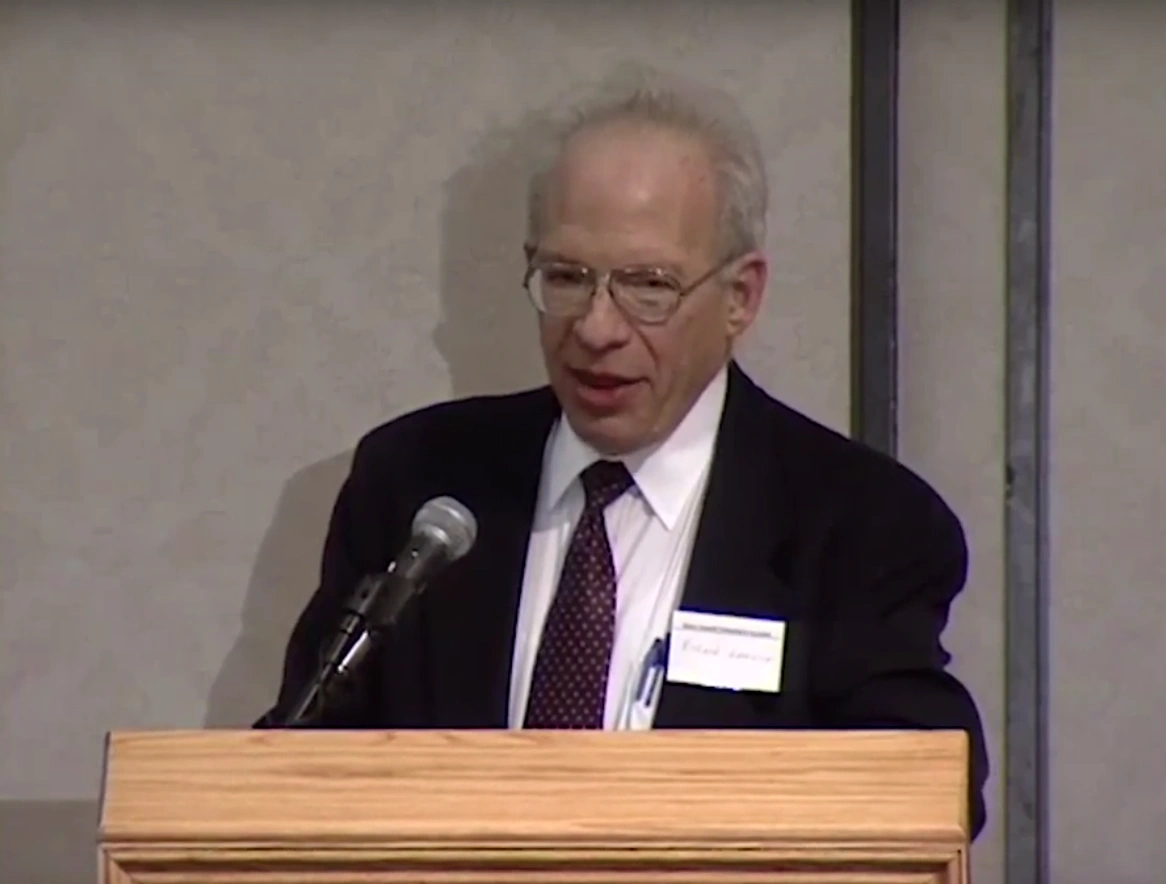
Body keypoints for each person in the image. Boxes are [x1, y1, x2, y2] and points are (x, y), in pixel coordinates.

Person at [258, 71, 989, 838]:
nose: (596, 328)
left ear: (741, 296)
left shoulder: (859, 523)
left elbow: (926, 792)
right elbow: (302, 762)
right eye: (568, 278)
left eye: (648, 286)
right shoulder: (417, 482)